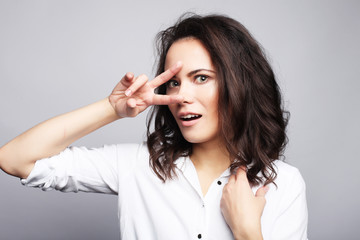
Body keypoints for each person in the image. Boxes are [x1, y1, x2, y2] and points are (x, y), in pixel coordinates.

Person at [0, 14, 308, 240]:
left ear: (240, 85)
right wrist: (112, 108)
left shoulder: (284, 185)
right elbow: (13, 159)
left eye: (201, 77)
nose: (181, 96)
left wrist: (247, 233)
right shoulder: (137, 166)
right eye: (174, 82)